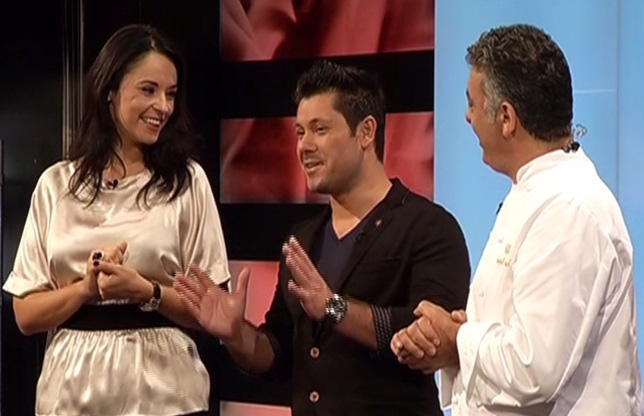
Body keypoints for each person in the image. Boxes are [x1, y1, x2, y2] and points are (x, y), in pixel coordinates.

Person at [176, 59, 471, 416]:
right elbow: (278, 355)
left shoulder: (430, 228)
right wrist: (235, 334)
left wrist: (333, 308)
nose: (304, 146)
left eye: (320, 129)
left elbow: (434, 337)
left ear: (366, 132)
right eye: (300, 132)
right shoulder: (303, 239)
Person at [390, 23, 643, 415]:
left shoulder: (567, 208)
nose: (467, 117)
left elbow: (534, 367)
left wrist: (458, 339)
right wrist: (455, 336)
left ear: (506, 117)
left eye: (472, 104)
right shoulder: (536, 192)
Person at [2, 24, 230, 416]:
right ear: (110, 91)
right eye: (148, 90)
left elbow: (213, 308)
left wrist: (147, 291)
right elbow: (26, 315)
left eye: (171, 94)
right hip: (70, 393)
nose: (163, 106)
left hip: (165, 393)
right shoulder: (56, 185)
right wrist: (85, 290)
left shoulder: (187, 181)